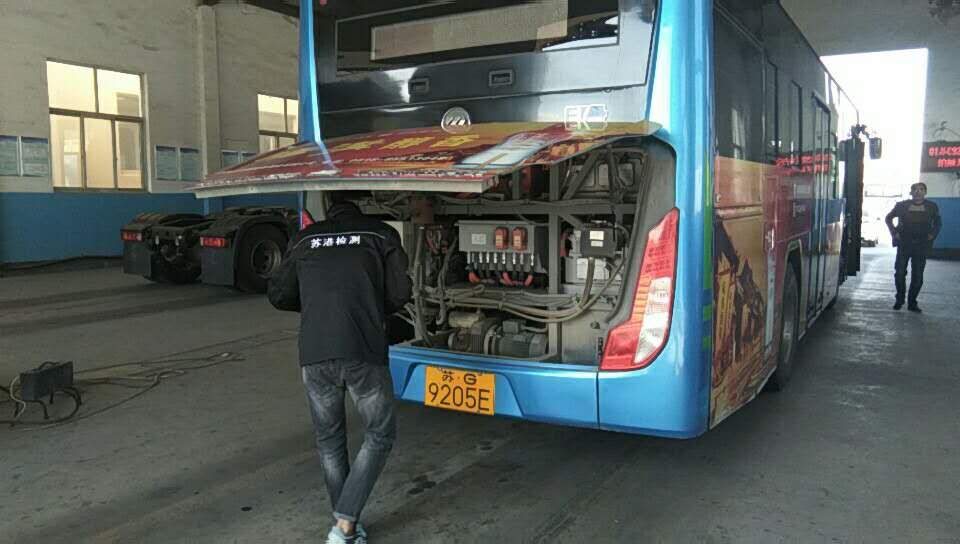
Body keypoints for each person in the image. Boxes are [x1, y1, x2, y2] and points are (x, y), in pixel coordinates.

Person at [268, 191, 412, 544]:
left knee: (329, 439)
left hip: (315, 352)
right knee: (379, 433)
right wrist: (367, 304)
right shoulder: (380, 234)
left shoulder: (305, 238)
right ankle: (345, 523)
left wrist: (319, 302)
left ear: (329, 205)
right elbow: (400, 293)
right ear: (360, 202)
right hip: (363, 348)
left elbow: (280, 294)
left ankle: (346, 524)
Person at [884, 182, 941, 312]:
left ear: (925, 192)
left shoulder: (931, 207)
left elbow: (938, 223)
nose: (918, 192)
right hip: (904, 244)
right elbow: (888, 218)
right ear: (911, 192)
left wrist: (932, 234)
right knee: (899, 273)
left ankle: (912, 303)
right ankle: (899, 299)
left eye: (921, 189)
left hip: (921, 245)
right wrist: (894, 232)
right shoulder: (901, 206)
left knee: (918, 276)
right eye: (915, 189)